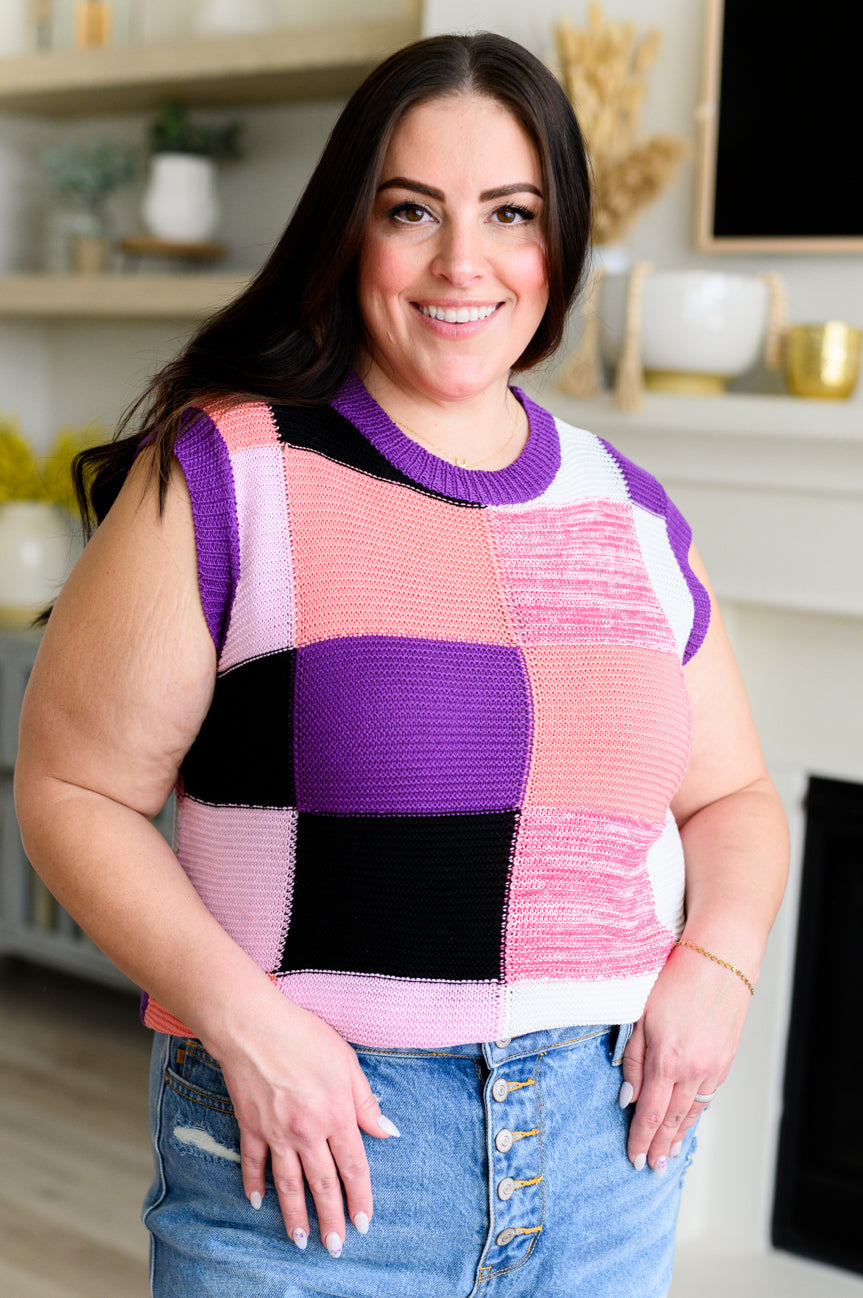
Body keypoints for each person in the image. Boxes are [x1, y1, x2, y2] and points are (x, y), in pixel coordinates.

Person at [14, 32, 788, 1298]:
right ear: (349, 230)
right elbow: (72, 789)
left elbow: (734, 795)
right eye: (411, 210)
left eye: (510, 213)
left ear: (559, 241)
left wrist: (720, 962)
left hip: (605, 1168)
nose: (461, 262)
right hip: (311, 1165)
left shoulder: (626, 507)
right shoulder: (230, 469)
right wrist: (244, 1023)